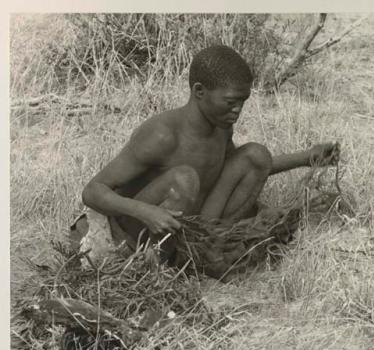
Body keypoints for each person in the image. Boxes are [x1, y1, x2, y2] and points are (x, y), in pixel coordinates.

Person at [79, 45, 339, 265]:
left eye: (243, 102)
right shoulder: (162, 135)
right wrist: (146, 212)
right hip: (139, 231)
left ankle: (203, 250)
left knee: (255, 156)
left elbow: (232, 172)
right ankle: (154, 265)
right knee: (184, 179)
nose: (238, 110)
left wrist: (307, 158)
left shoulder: (220, 128)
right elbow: (92, 191)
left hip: (189, 226)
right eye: (230, 102)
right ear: (199, 91)